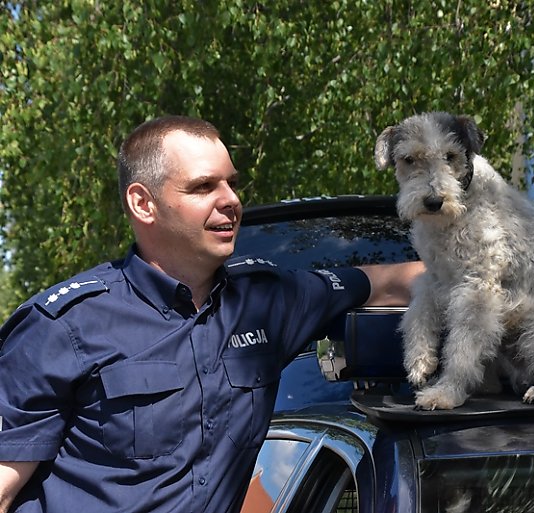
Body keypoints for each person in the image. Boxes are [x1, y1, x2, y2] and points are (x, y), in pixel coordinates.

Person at [0, 115, 423, 513]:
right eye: (203, 187)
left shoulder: (266, 303)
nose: (231, 201)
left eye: (232, 183)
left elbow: (385, 282)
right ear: (143, 204)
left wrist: (479, 270)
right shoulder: (62, 326)